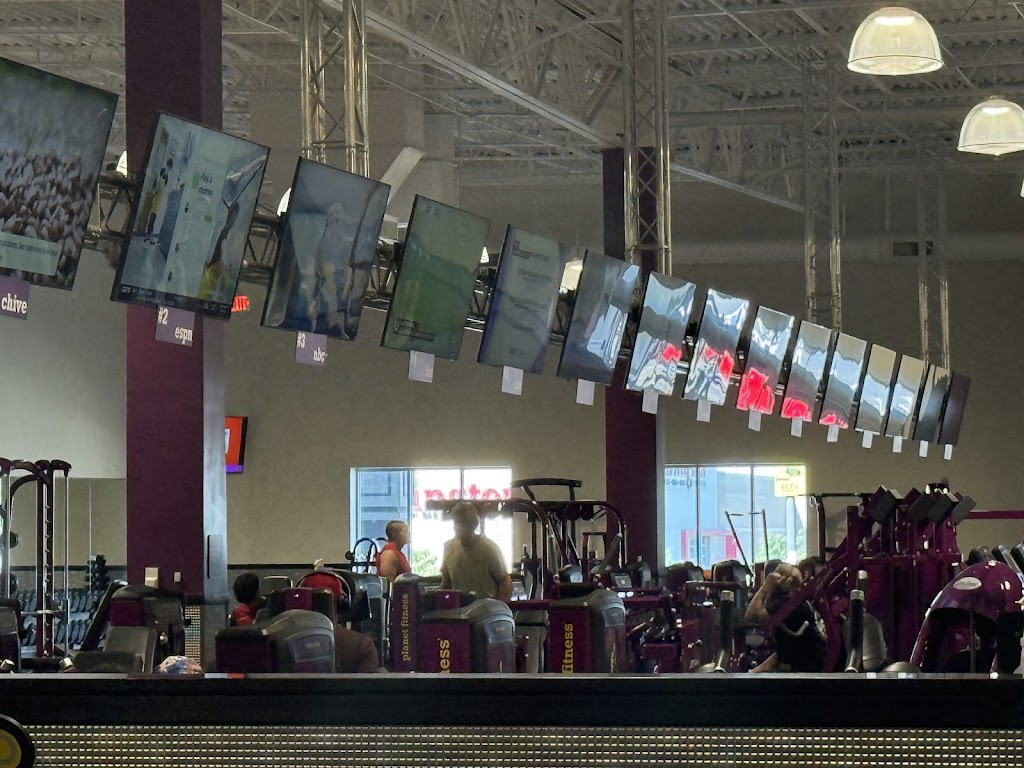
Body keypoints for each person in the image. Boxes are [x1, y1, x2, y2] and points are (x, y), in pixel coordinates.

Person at [745, 562, 826, 673]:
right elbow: (783, 652)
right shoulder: (799, 601)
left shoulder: (786, 605)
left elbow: (751, 616)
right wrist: (756, 671)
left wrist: (765, 587)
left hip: (805, 670)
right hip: (814, 662)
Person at [439, 502, 513, 601]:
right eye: (455, 522)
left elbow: (505, 581)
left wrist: (501, 605)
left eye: (460, 523)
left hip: (486, 607)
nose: (456, 527)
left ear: (471, 525)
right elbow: (446, 582)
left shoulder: (488, 548)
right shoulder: (449, 548)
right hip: (460, 607)